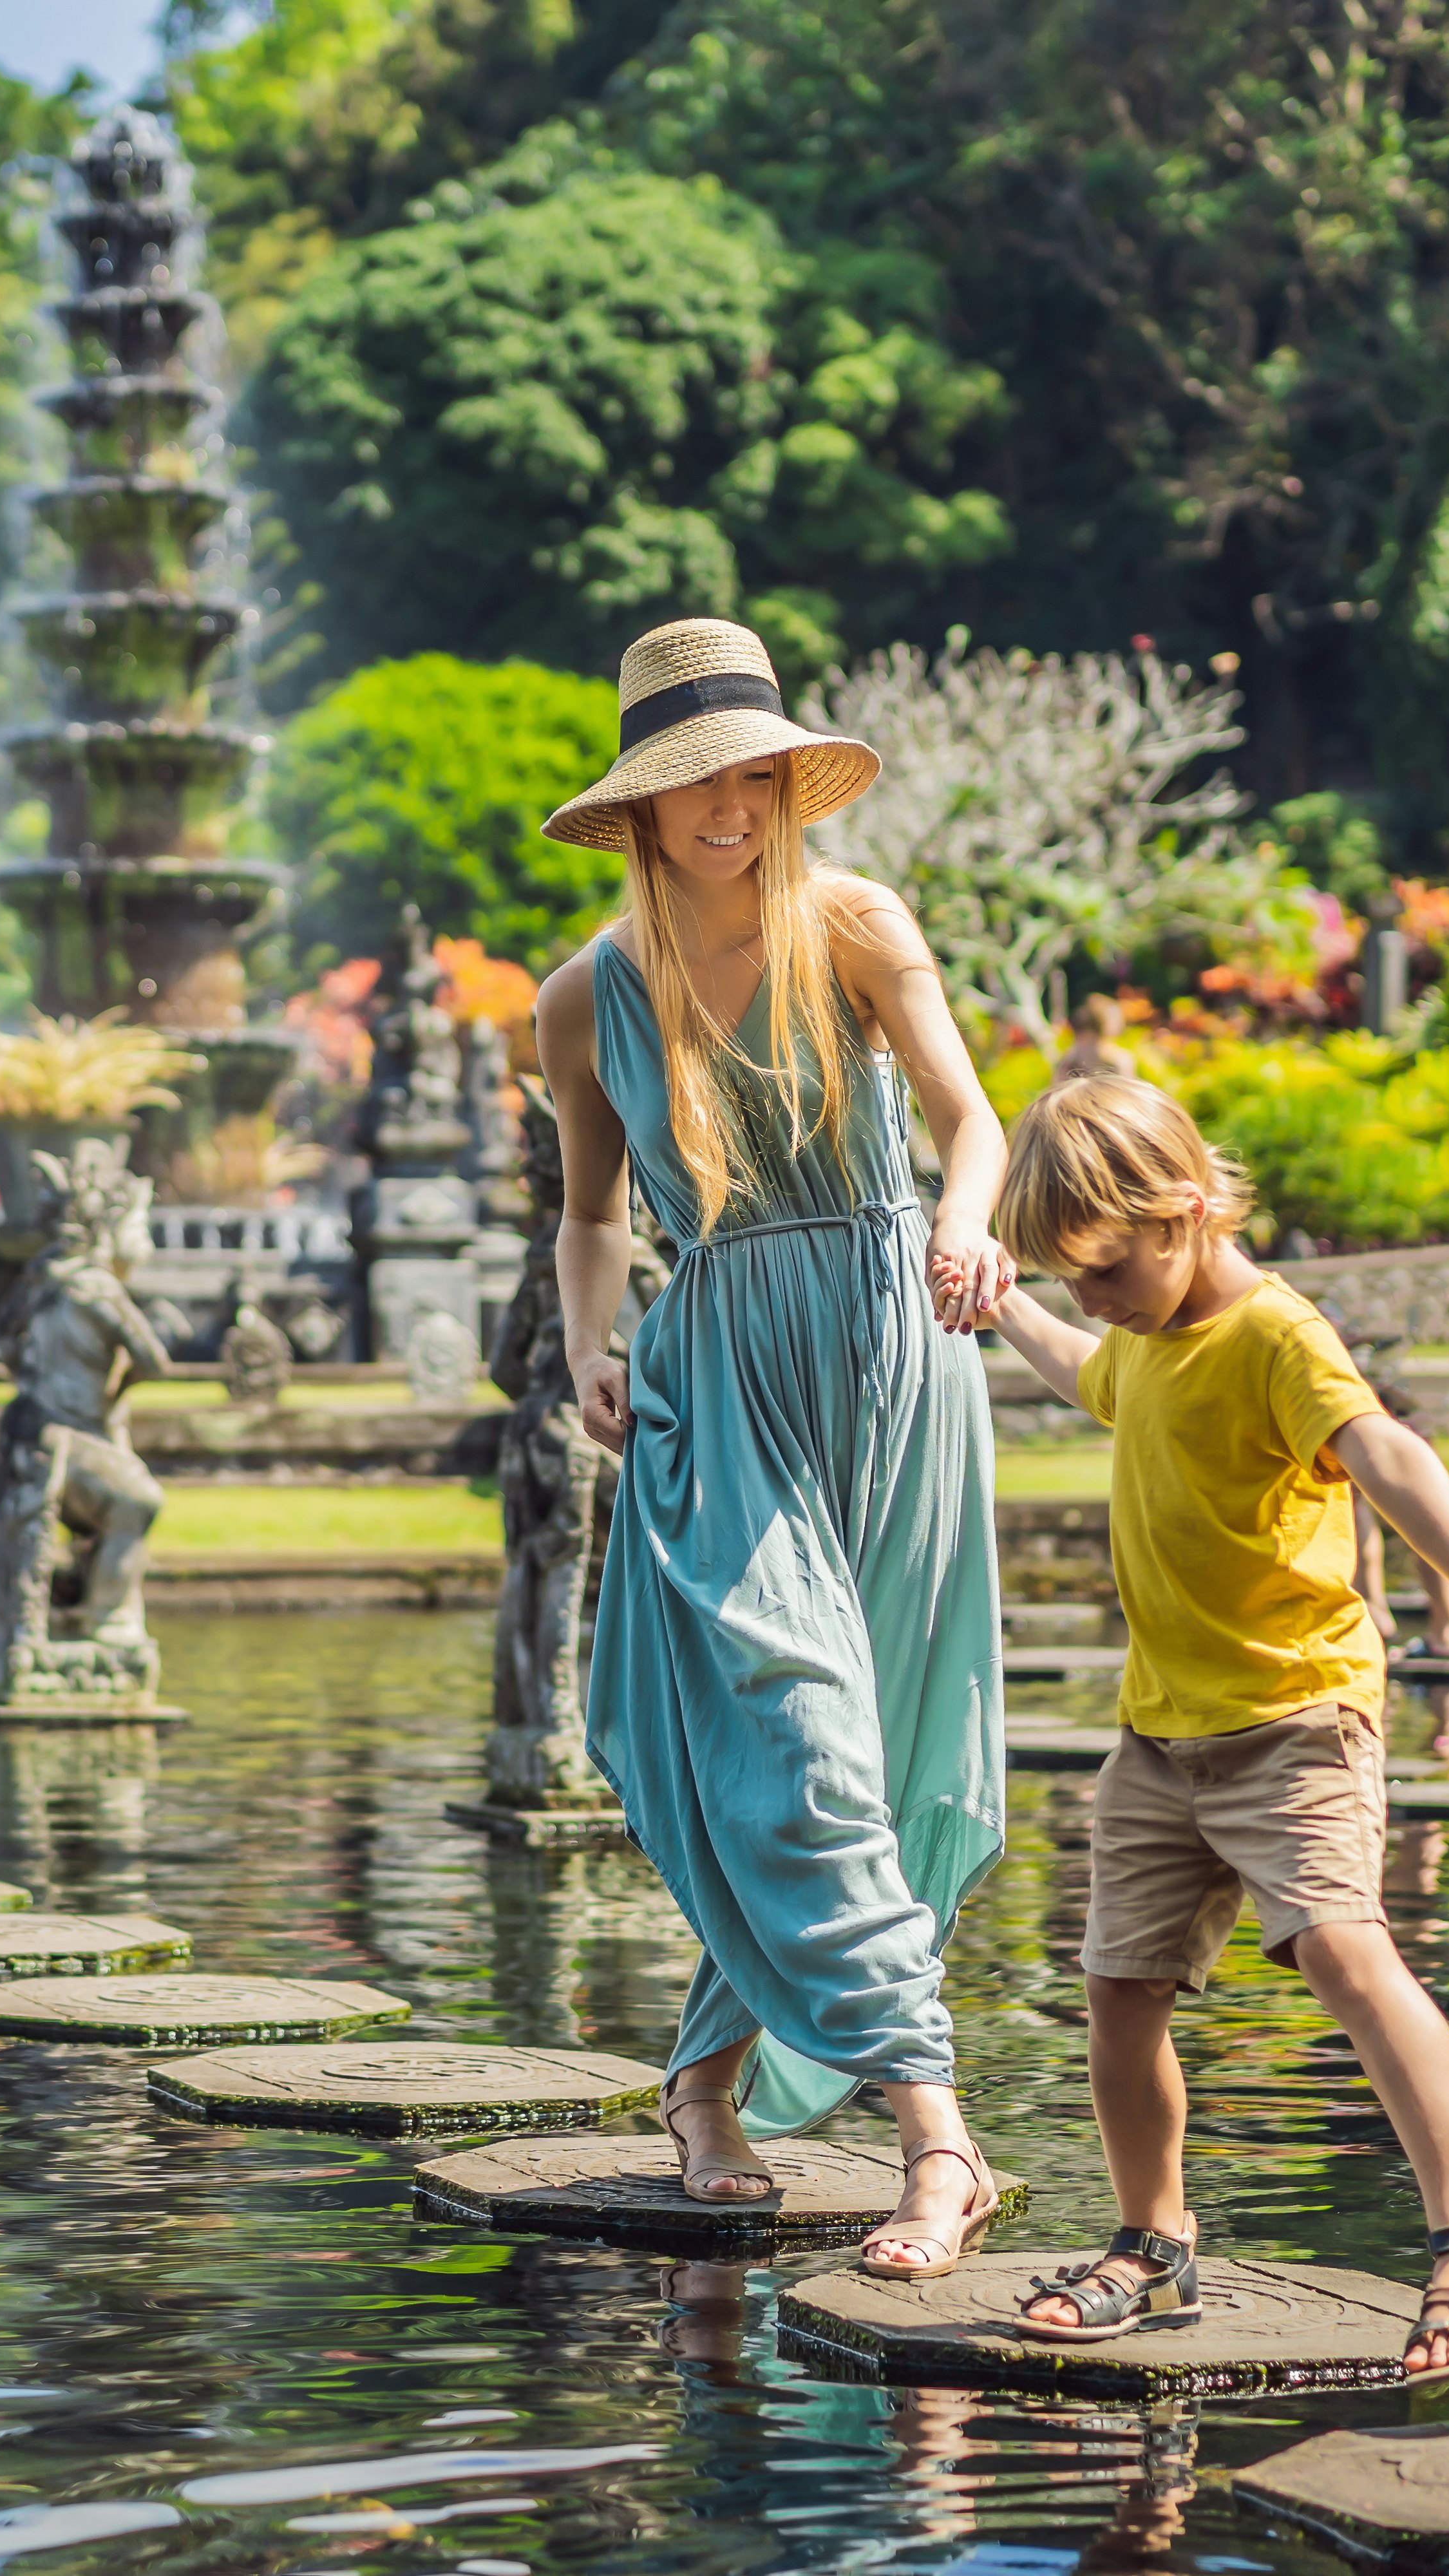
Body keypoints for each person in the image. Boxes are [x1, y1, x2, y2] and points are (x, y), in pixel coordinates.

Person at [530, 617, 1016, 2279]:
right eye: (694, 787)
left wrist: (968, 1226)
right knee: (797, 1737)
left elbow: (975, 1119)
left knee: (856, 1763)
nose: (728, 809)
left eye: (751, 778)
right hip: (723, 1374)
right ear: (643, 813)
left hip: (898, 1352)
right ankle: (941, 2148)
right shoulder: (584, 996)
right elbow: (593, 1219)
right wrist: (590, 1347)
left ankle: (701, 2086)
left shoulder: (857, 923)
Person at [980, 1075, 1449, 2378]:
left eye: (1107, 1267)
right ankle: (1153, 2240)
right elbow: (1096, 1376)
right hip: (1159, 1734)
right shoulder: (1139, 1335)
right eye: (1069, 1276)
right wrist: (1004, 1300)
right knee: (1118, 1990)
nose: (1097, 1296)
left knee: (1342, 1952)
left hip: (1294, 1714)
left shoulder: (1274, 1332)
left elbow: (1387, 1449)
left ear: (1189, 1209)